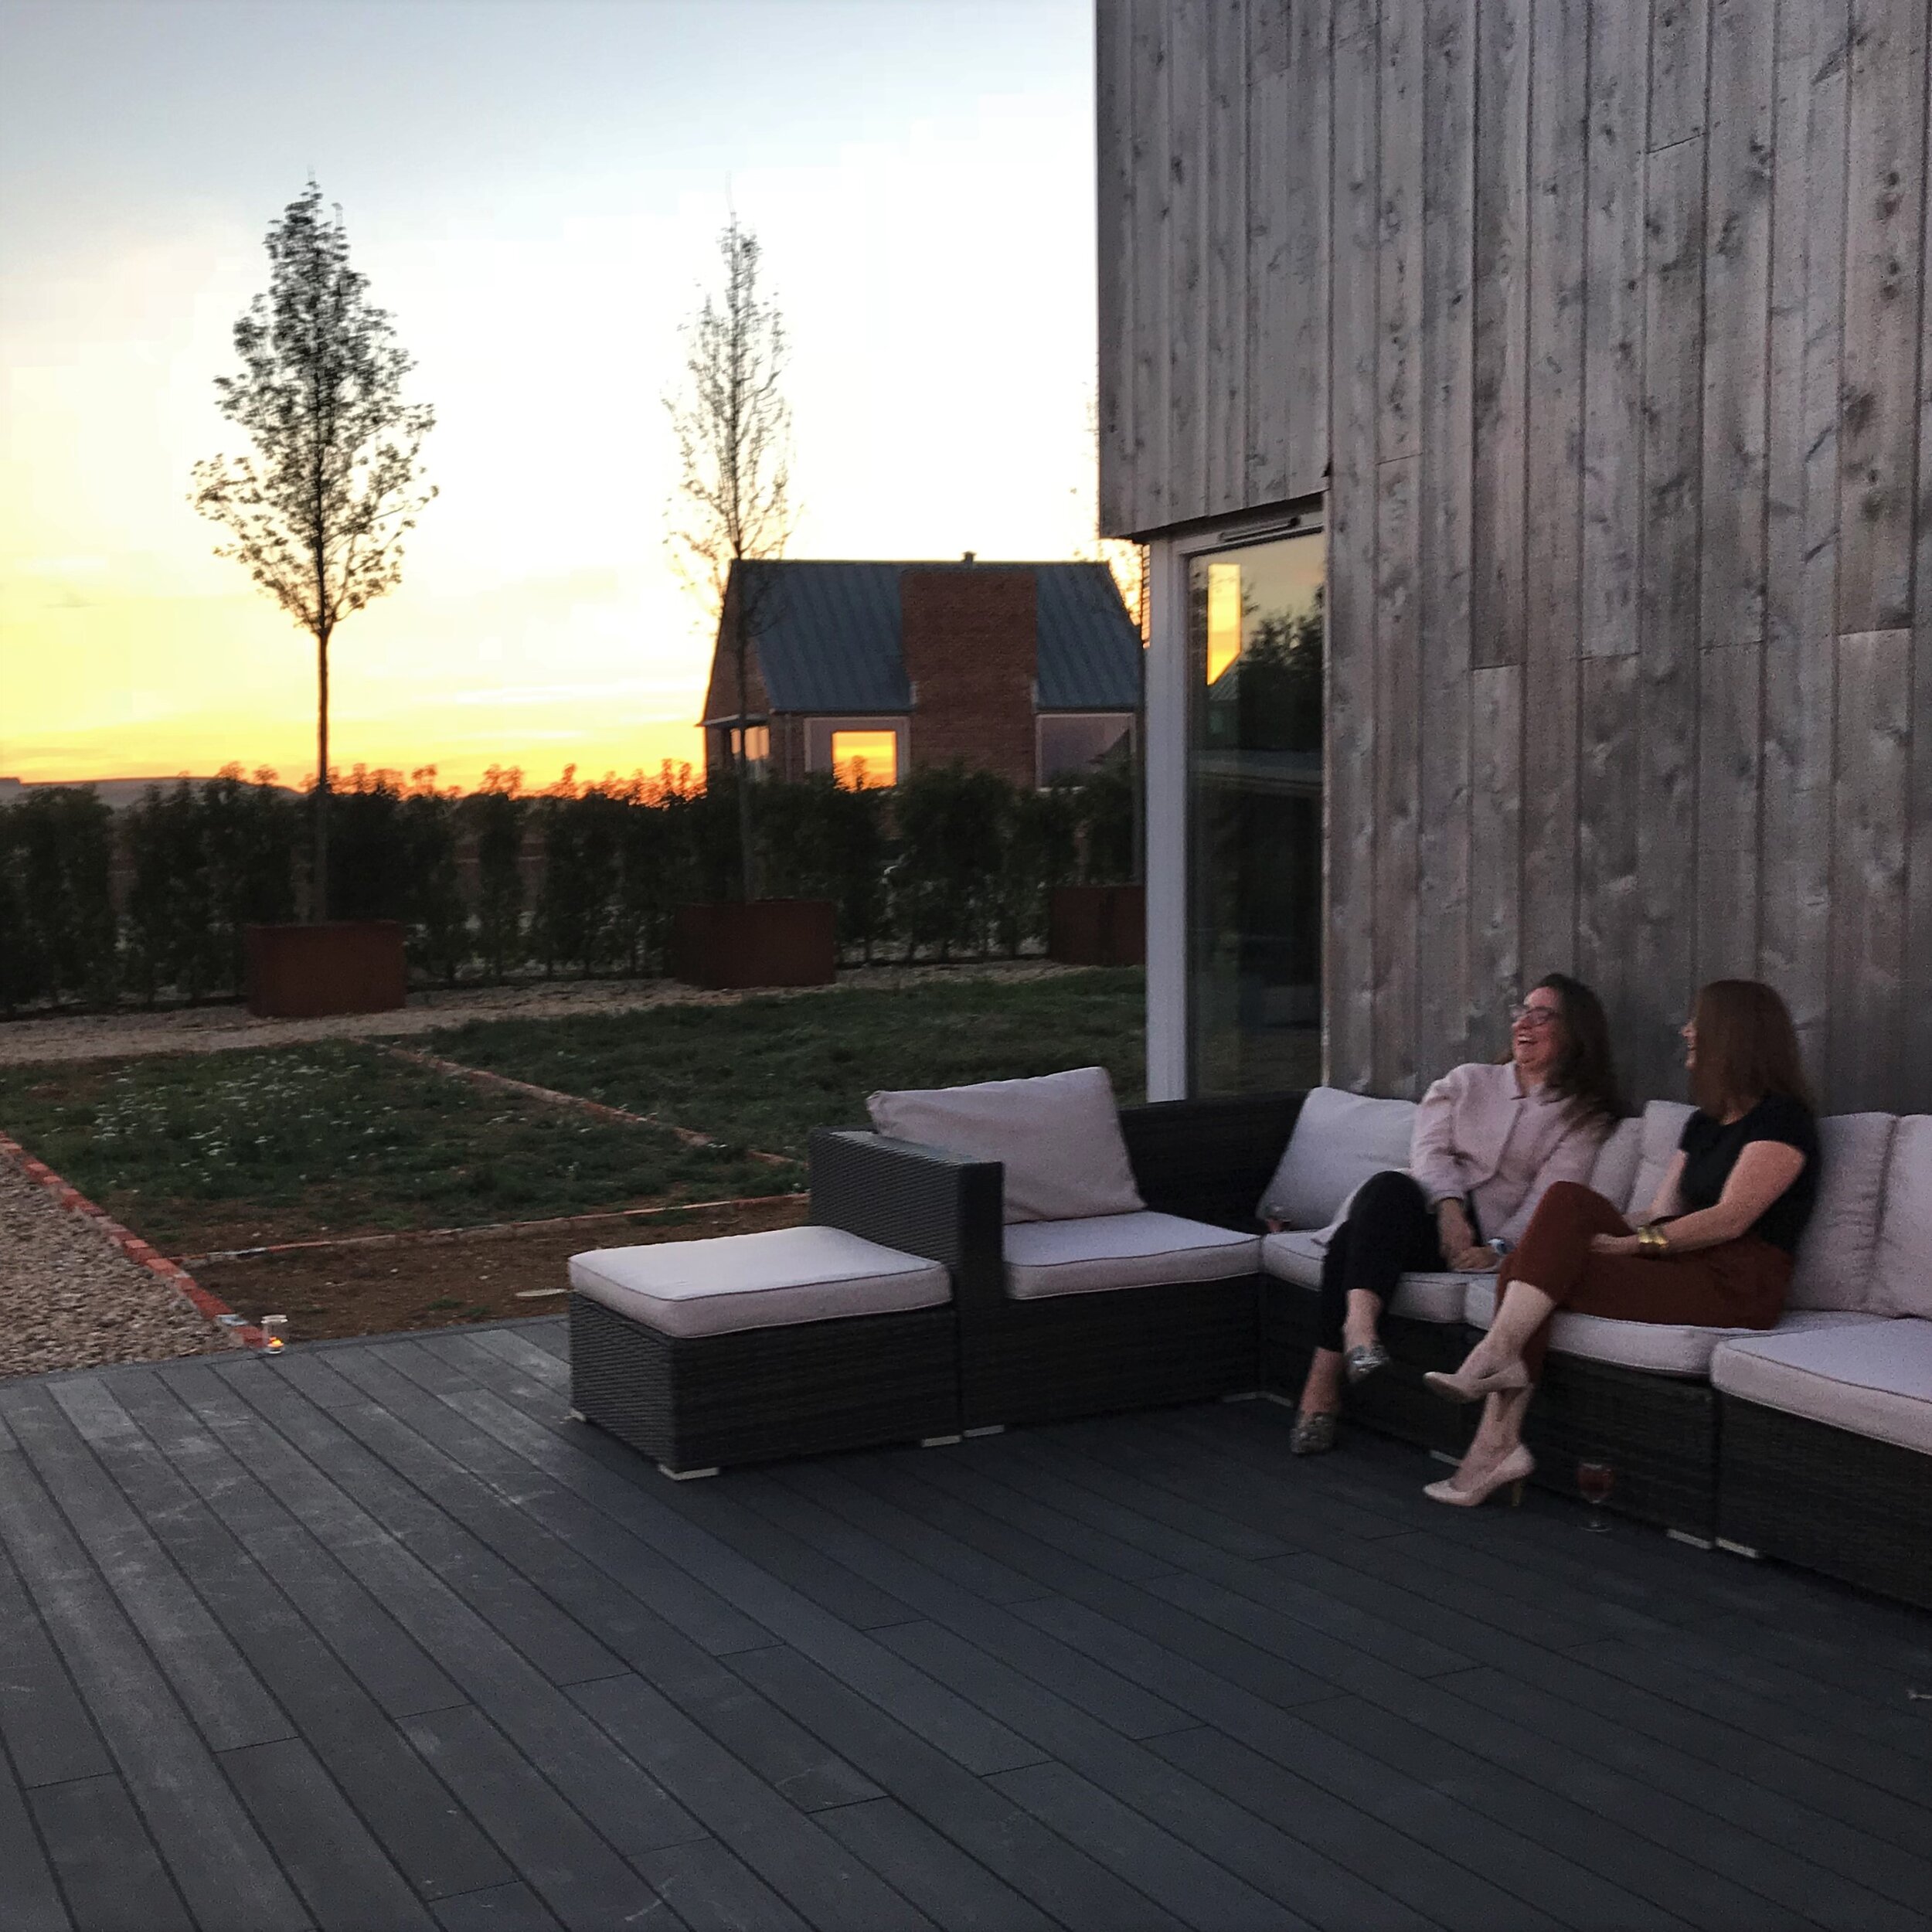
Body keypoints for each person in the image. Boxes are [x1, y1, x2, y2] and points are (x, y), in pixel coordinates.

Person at [1421, 978, 1819, 1507]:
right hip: (1685, 1264)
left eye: (1698, 1022)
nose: (1687, 1031)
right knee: (1555, 1223)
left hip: (1738, 1283)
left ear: (1733, 1034)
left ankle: (1495, 1410)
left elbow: (1730, 1219)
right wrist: (1589, 1235)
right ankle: (1499, 1398)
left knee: (1533, 1268)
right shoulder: (1703, 1123)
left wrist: (1635, 1246)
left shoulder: (1783, 1119)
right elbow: (1659, 1212)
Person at [1288, 974, 1625, 1455]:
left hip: (1489, 1239)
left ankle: (1321, 1390)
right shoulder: (1469, 1081)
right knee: (1387, 1188)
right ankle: (1360, 1331)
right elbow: (1429, 1149)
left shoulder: (1582, 1117)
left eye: (1542, 1014)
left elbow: (1552, 1198)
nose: (1524, 1022)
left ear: (1575, 1032)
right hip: (1423, 1214)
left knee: (1352, 1243)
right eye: (1522, 1011)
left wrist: (1499, 1250)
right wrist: (1447, 1209)